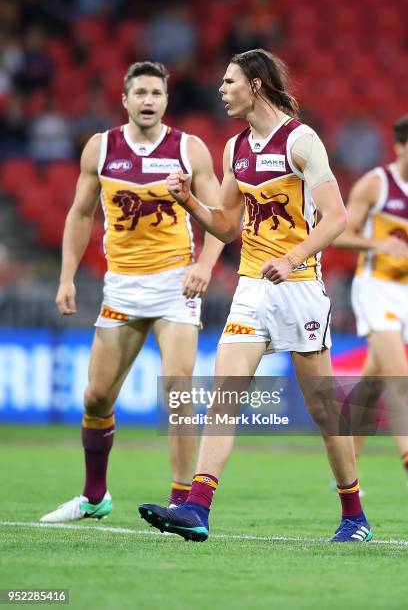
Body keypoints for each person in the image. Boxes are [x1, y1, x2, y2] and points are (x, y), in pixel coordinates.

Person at [139, 49, 372, 543]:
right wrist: (188, 201)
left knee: (324, 410)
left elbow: (336, 217)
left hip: (301, 288)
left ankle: (354, 515)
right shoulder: (234, 149)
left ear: (257, 85)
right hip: (251, 287)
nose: (221, 90)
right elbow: (225, 224)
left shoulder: (301, 141)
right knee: (224, 396)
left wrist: (290, 259)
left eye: (230, 82)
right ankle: (197, 509)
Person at [40, 61, 223, 522]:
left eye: (156, 93)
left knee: (178, 391)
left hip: (175, 284)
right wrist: (66, 276)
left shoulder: (190, 149)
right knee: (96, 398)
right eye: (140, 92)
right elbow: (81, 215)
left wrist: (203, 264)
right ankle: (95, 496)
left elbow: (221, 215)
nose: (148, 100)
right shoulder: (100, 149)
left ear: (166, 100)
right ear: (124, 99)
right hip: (121, 287)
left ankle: (184, 503)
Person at [334, 115, 408, 475]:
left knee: (372, 384)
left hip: (406, 291)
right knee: (398, 374)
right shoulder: (376, 185)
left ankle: (347, 472)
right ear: (400, 146)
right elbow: (338, 234)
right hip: (375, 288)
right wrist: (377, 243)